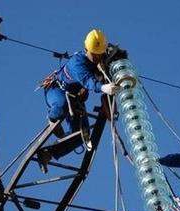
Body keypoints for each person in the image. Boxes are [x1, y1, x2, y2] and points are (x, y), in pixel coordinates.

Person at [36, 29, 120, 172]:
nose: (97, 57)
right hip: (57, 90)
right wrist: (104, 87)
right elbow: (88, 81)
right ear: (87, 49)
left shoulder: (102, 56)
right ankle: (52, 119)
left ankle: (48, 154)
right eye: (94, 54)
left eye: (99, 54)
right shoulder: (77, 63)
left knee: (81, 135)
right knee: (61, 105)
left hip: (75, 100)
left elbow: (116, 55)